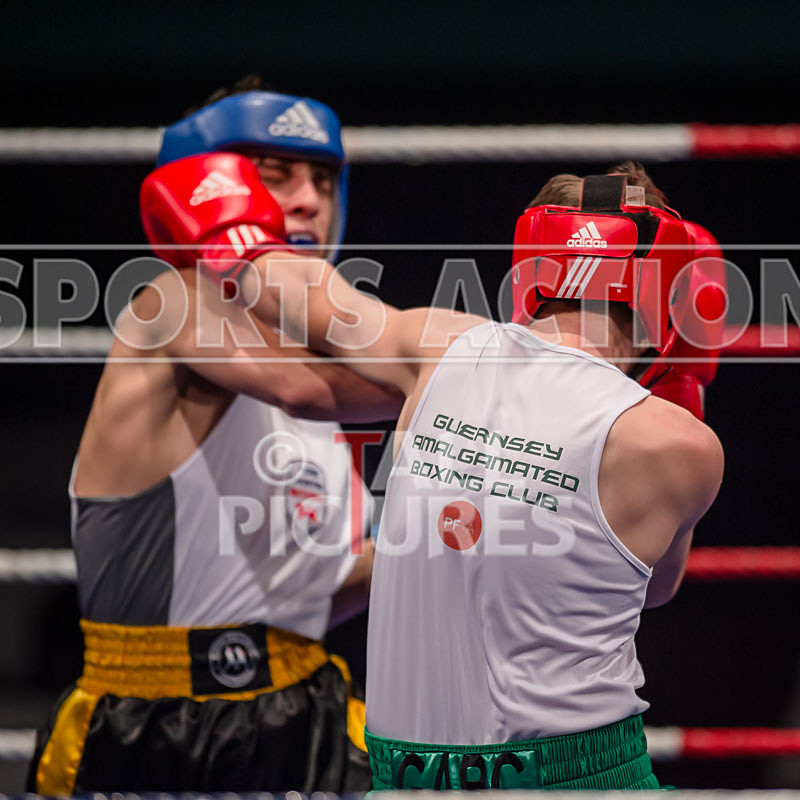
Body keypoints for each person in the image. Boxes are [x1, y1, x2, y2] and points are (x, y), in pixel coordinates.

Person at [137, 153, 726, 790]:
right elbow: (659, 586)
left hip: (416, 774)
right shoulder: (683, 445)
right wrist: (677, 384)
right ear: (668, 286)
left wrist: (228, 224)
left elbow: (296, 295)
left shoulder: (440, 347)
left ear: (533, 261)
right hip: (578, 772)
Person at [28, 80, 402, 795]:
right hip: (152, 721)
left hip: (301, 709)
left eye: (323, 178)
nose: (308, 199)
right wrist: (504, 381)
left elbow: (305, 598)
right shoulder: (171, 302)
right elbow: (306, 386)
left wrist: (454, 542)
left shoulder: (327, 377)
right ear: (210, 184)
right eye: (276, 175)